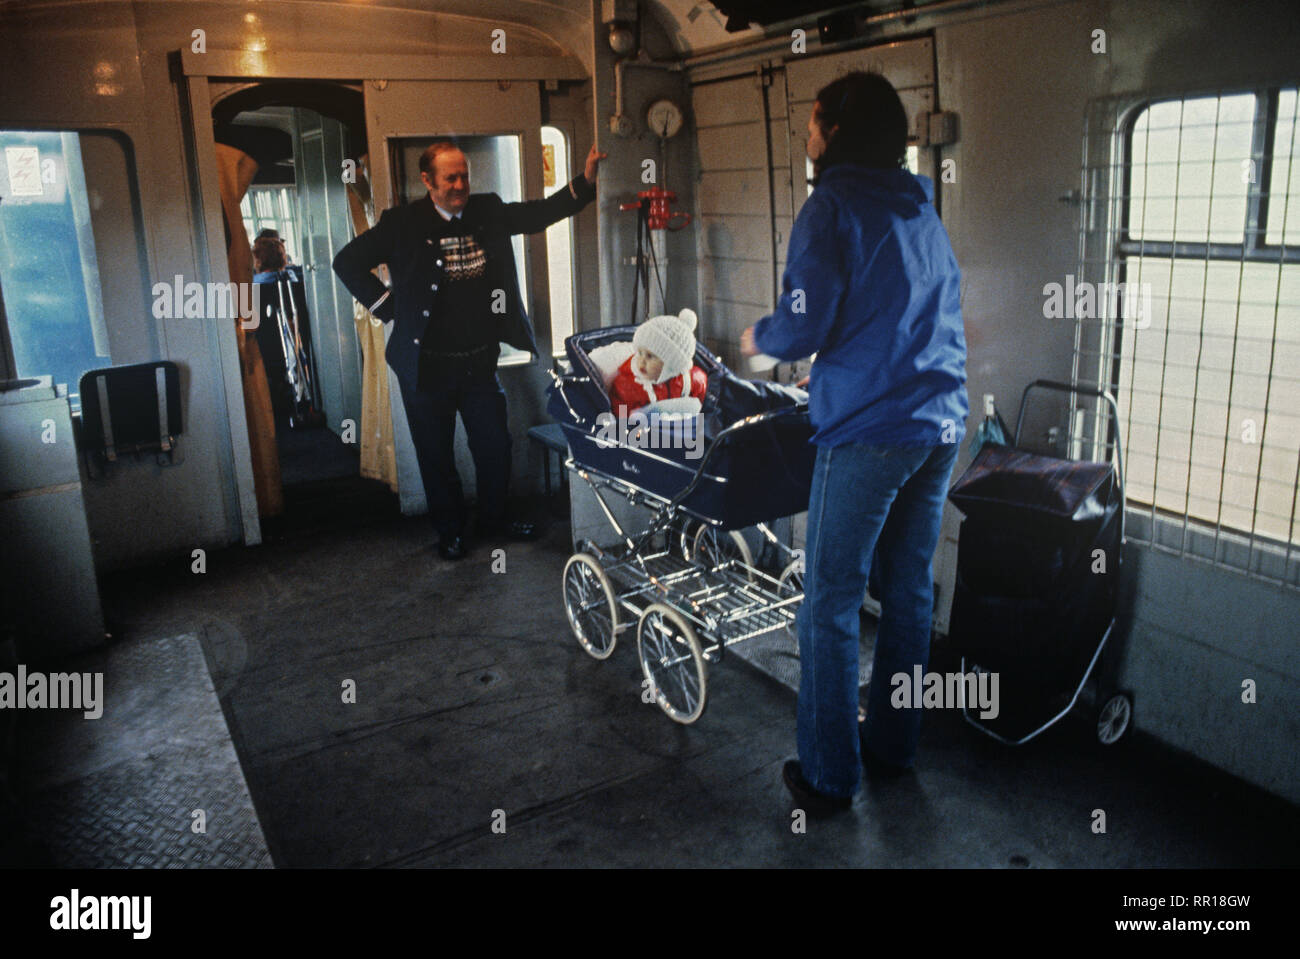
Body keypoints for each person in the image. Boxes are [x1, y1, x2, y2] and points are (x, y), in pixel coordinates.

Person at [741, 71, 968, 815]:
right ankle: (894, 749)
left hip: (869, 432)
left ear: (834, 131)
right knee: (906, 593)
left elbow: (803, 323)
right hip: (939, 424)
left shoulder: (828, 206)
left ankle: (830, 775)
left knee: (829, 602)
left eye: (811, 123)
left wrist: (758, 340)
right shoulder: (919, 201)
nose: (806, 137)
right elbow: (899, 308)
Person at [333, 140, 605, 560]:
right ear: (428, 181)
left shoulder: (488, 210)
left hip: (478, 362)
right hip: (424, 367)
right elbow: (347, 262)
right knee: (436, 455)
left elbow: (538, 214)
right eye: (450, 178)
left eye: (464, 176)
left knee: (495, 447)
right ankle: (451, 531)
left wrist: (584, 183)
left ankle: (495, 520)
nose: (460, 185)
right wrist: (388, 309)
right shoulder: (402, 223)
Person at [607, 308, 708, 418]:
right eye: (640, 353)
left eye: (650, 356)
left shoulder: (693, 380)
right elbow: (620, 420)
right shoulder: (626, 385)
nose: (642, 361)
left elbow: (704, 411)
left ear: (671, 364)